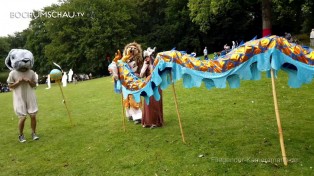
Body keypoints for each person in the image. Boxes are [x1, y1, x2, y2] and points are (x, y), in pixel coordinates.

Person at [5, 49, 39, 143]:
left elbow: (34, 85)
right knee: (22, 117)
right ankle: (21, 135)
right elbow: (10, 86)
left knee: (33, 115)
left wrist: (29, 81)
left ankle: (34, 133)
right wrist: (18, 82)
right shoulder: (13, 73)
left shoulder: (31, 72)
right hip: (19, 97)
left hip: (30, 95)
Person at [140, 47, 164, 128]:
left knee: (155, 102)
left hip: (156, 84)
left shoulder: (157, 63)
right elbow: (141, 75)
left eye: (150, 56)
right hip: (148, 85)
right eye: (147, 56)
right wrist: (145, 65)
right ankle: (148, 122)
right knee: (148, 102)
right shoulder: (145, 64)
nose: (149, 58)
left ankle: (156, 122)